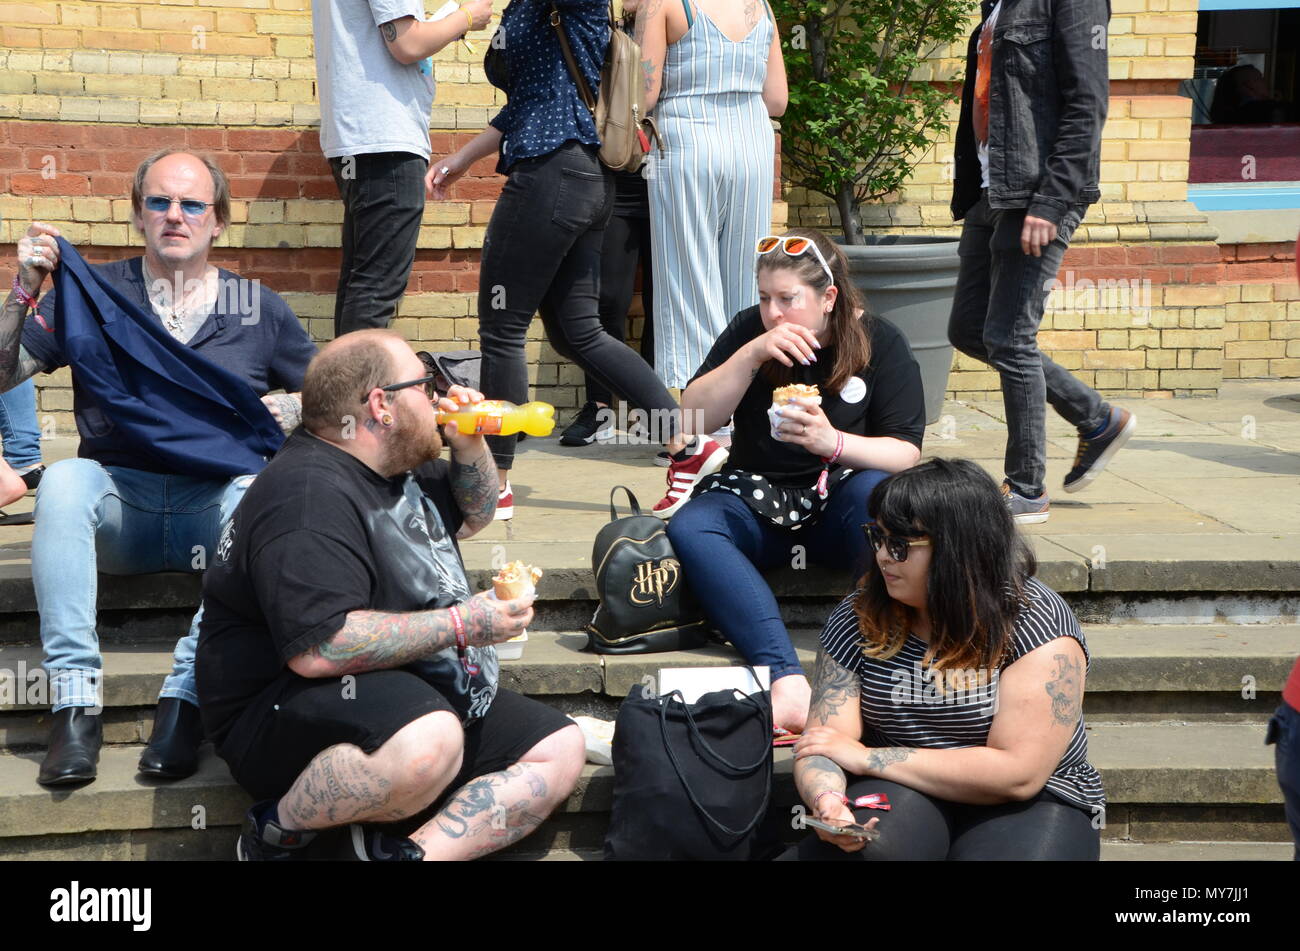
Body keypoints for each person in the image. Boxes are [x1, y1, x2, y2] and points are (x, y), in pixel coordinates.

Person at [197, 330, 586, 861]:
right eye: (424, 385)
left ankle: (402, 856)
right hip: (276, 707)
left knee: (558, 750)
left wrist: (469, 443)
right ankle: (275, 835)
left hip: (405, 684)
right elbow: (320, 649)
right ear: (381, 404)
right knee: (430, 744)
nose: (437, 396)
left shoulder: (398, 461)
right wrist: (462, 625)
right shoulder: (307, 497)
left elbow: (477, 513)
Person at [2, 150, 317, 786]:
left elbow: (335, 399)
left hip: (216, 515)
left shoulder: (259, 309)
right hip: (123, 509)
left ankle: (185, 699)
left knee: (258, 490)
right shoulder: (93, 297)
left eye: (193, 204)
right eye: (160, 202)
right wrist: (23, 290)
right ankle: (73, 703)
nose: (176, 215)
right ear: (139, 214)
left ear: (218, 221)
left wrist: (281, 405)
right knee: (63, 479)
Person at [429, 0, 725, 520]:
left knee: (503, 329)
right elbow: (527, 104)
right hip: (580, 180)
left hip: (552, 177)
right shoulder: (527, 9)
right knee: (577, 332)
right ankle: (688, 443)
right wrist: (462, 158)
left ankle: (494, 484)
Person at [666, 228, 925, 732]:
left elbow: (906, 452)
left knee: (877, 493)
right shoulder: (750, 332)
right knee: (693, 525)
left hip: (841, 507)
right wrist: (750, 356)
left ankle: (885, 655)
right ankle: (785, 678)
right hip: (756, 497)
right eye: (765, 298)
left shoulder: (881, 341)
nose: (774, 313)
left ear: (828, 298)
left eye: (788, 299)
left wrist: (834, 443)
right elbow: (692, 419)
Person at [784, 458, 1104, 860]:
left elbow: (1018, 774)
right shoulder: (859, 615)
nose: (883, 556)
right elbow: (823, 742)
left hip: (1034, 799)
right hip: (905, 788)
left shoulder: (1034, 620)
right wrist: (827, 799)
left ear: (959, 549)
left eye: (900, 545)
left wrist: (868, 757)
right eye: (877, 538)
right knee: (865, 853)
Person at [947, 0, 1134, 524]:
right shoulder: (996, 5)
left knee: (1010, 338)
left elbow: (1087, 102)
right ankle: (1096, 419)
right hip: (994, 190)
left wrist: (1051, 201)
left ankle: (1026, 488)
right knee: (968, 328)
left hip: (1036, 194)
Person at [312, 0, 494, 336]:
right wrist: (466, 17)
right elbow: (408, 43)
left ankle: (347, 386)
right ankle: (360, 389)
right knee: (375, 289)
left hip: (359, 138)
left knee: (361, 283)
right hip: (385, 138)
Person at [637, 0, 786, 391]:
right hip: (753, 147)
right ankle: (744, 407)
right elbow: (777, 100)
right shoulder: (761, 7)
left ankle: (700, 417)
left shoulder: (664, 5)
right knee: (745, 278)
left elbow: (644, 95)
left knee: (687, 282)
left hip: (687, 143)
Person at [560, 0, 657, 450]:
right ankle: (600, 407)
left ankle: (655, 413)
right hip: (615, 169)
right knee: (608, 298)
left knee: (665, 301)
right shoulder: (594, 16)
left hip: (670, 168)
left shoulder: (683, 14)